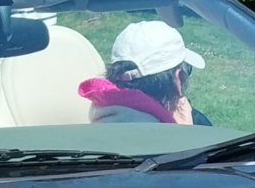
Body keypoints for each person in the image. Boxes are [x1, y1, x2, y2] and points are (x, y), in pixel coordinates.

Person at [78, 20, 209, 125]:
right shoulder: (162, 139)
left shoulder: (101, 117)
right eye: (187, 71)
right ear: (178, 81)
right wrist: (188, 137)